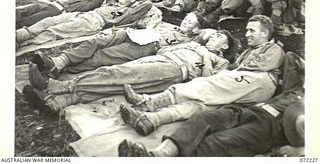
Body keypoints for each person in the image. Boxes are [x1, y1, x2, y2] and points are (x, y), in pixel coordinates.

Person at [118, 15, 285, 136]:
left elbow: (258, 66)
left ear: (264, 33)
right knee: (207, 105)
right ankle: (152, 119)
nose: (247, 34)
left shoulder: (273, 48)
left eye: (252, 30)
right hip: (249, 88)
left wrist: (227, 71)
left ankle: (149, 101)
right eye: (247, 30)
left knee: (213, 82)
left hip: (261, 82)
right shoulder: (248, 51)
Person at [118, 51, 304, 157]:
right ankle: (158, 155)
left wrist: (300, 150)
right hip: (252, 110)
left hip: (273, 129)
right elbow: (291, 58)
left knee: (216, 142)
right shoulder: (295, 90)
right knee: (202, 119)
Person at [23, 29, 237, 114]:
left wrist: (207, 58)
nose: (213, 37)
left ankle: (57, 86)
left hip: (174, 70)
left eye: (219, 37)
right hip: (160, 59)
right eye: (214, 33)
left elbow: (210, 82)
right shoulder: (196, 45)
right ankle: (56, 103)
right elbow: (164, 48)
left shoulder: (220, 61)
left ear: (225, 47)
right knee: (113, 78)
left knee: (114, 76)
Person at [31, 12, 206, 77]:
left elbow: (165, 51)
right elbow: (145, 20)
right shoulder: (170, 26)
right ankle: (60, 61)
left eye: (190, 22)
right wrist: (152, 25)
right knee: (97, 41)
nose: (185, 22)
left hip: (148, 46)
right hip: (136, 34)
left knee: (103, 56)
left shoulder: (188, 42)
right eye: (186, 18)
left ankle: (59, 68)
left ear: (196, 29)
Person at [16, 0, 152, 47]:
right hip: (81, 14)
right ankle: (21, 34)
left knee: (56, 30)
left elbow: (147, 6)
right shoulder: (112, 2)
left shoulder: (128, 11)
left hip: (94, 22)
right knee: (50, 20)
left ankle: (24, 42)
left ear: (133, 0)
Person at [16, 0, 107, 29]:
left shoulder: (89, 3)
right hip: (51, 4)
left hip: (57, 11)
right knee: (24, 10)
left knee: (27, 21)